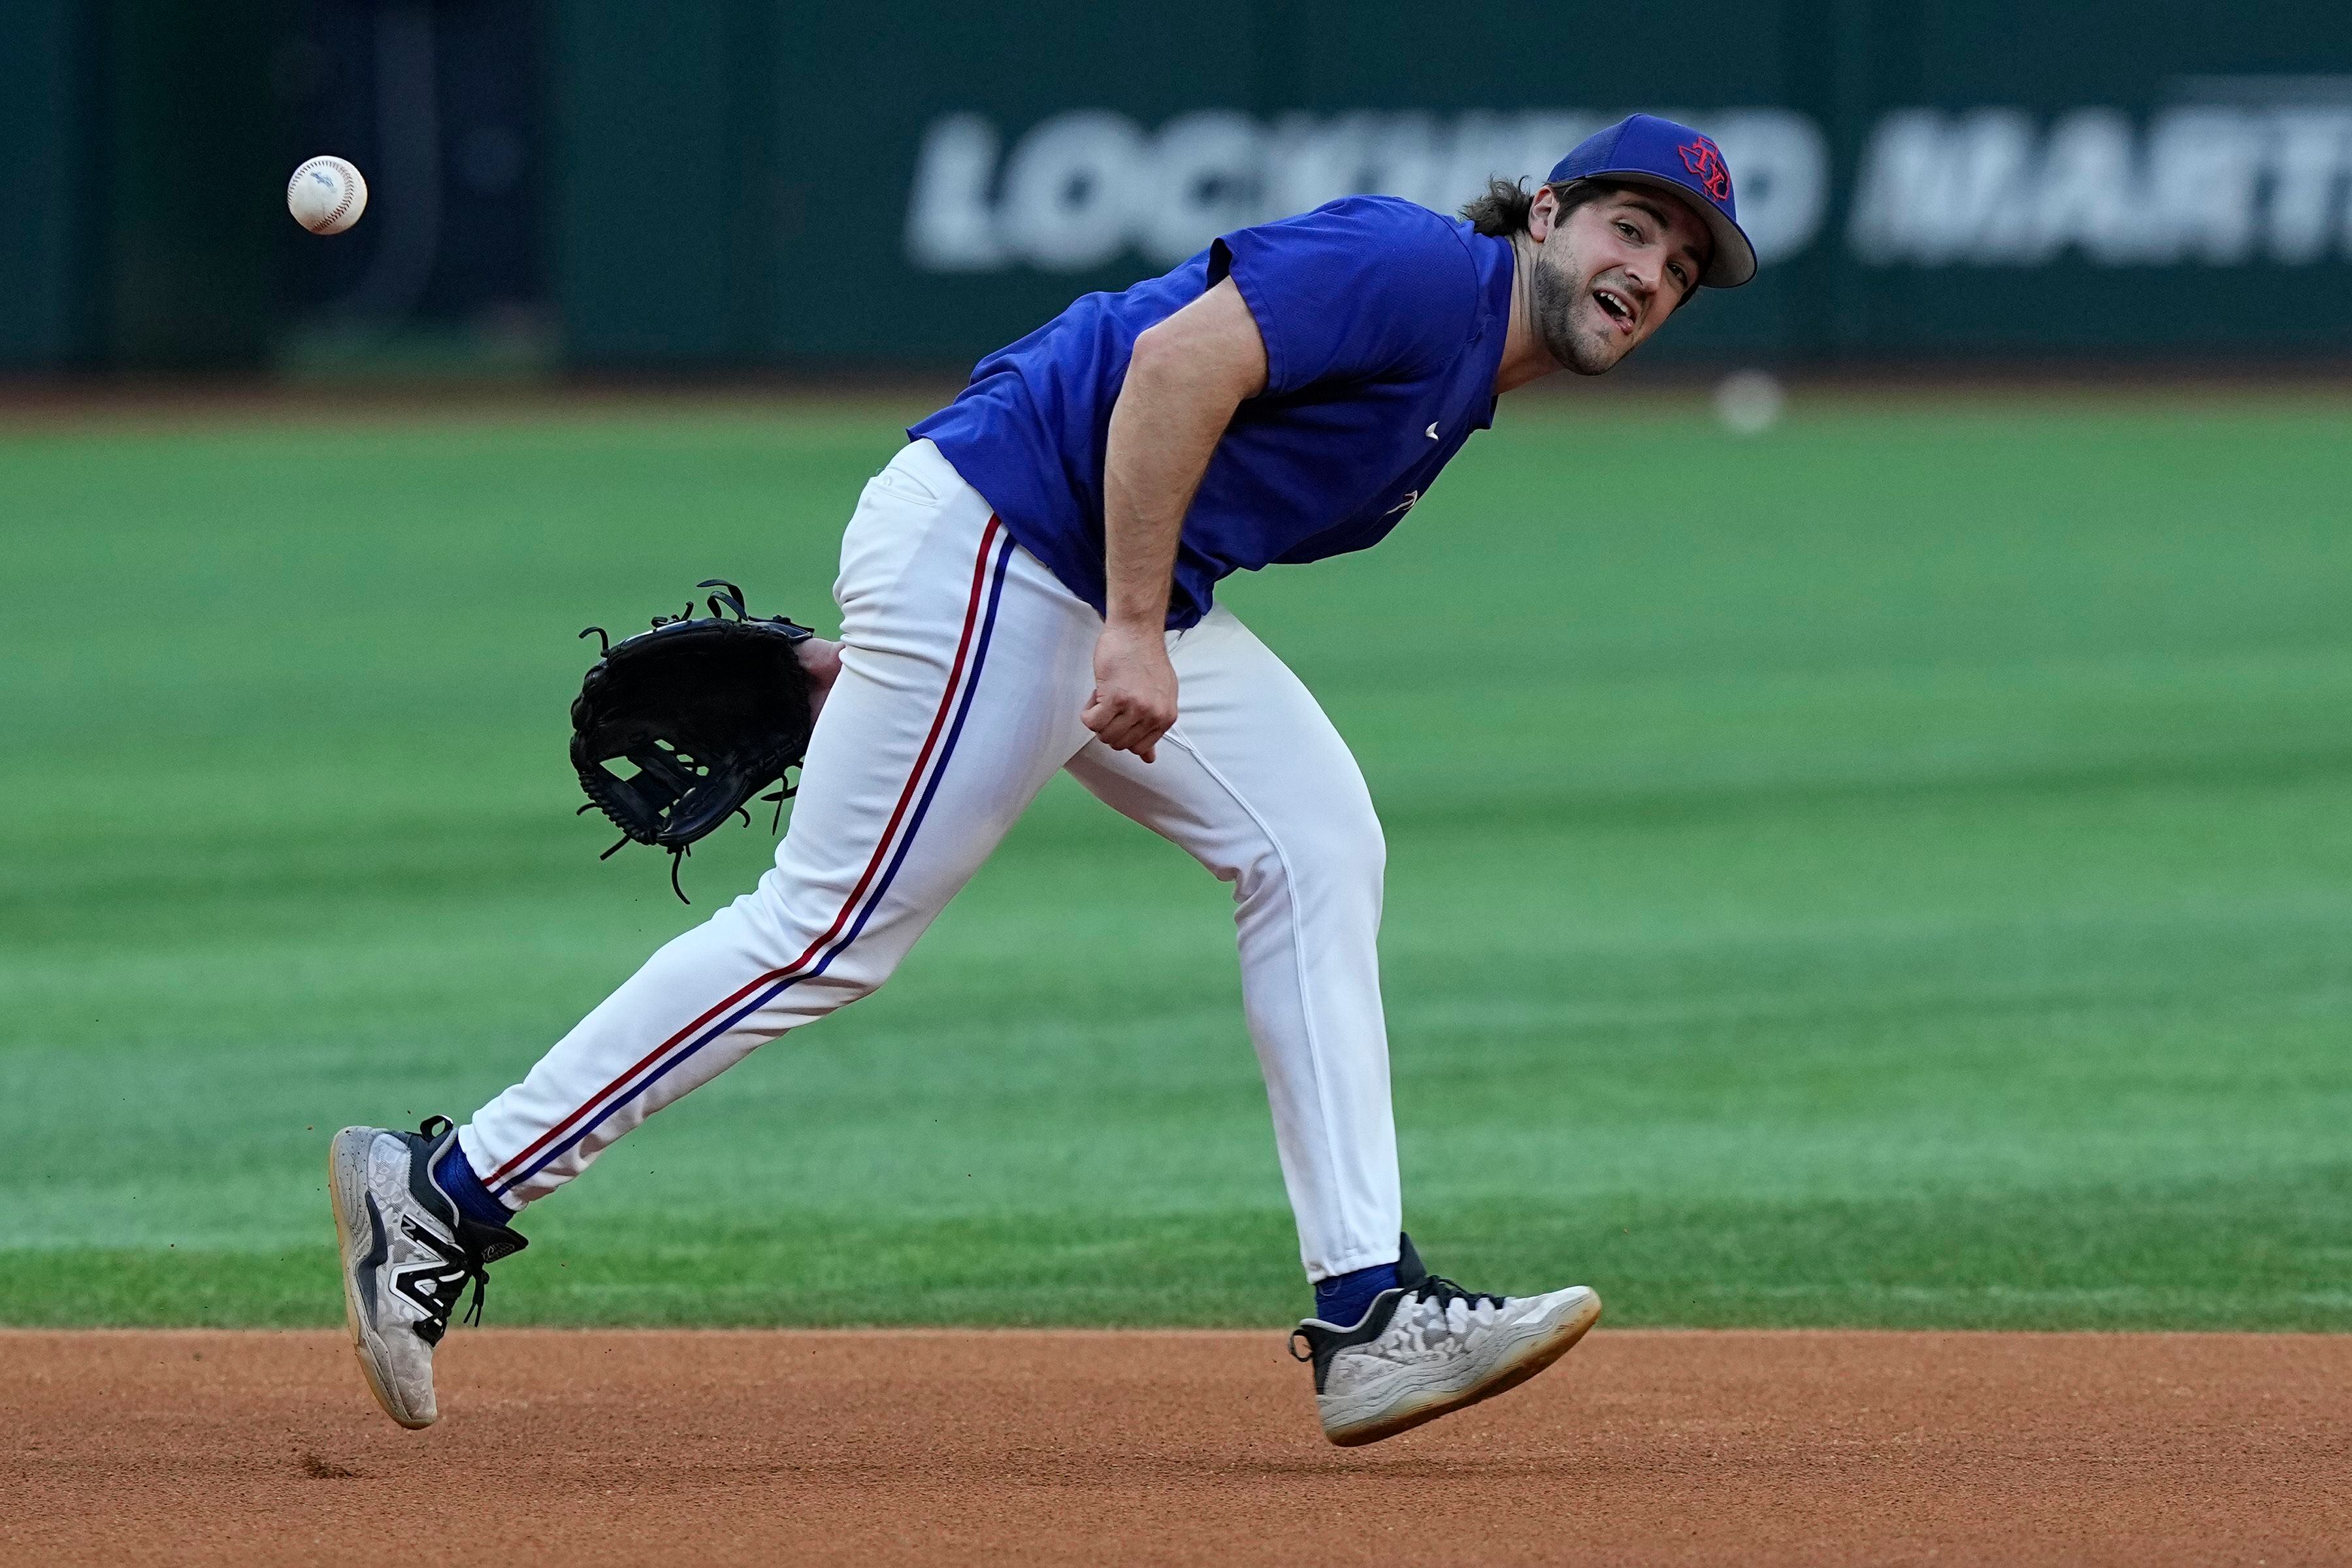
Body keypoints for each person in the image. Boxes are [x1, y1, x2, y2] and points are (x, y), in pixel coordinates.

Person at [328, 114, 1755, 1445]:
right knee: (828, 932)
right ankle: (444, 1195)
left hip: (1057, 576)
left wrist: (951, 663)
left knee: (1313, 844)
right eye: (1632, 229)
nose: (1649, 272)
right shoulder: (1421, 271)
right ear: (1549, 214)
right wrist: (1111, 626)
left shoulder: (1465, 374)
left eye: (1682, 267)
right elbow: (1174, 368)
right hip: (1016, 547)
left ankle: (1369, 1309)